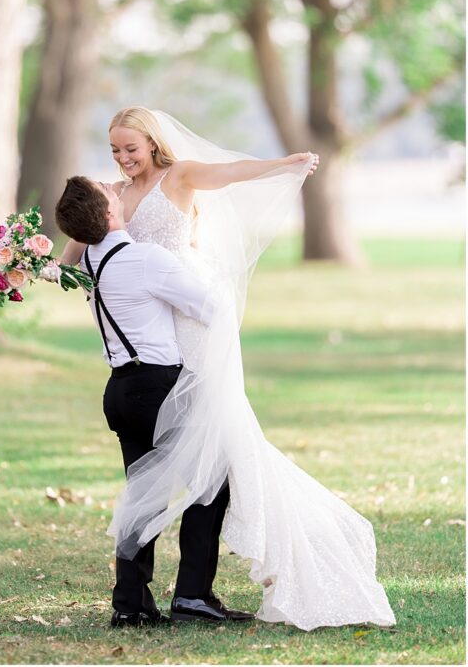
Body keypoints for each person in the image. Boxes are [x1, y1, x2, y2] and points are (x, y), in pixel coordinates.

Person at [64, 107, 395, 630]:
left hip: (191, 331)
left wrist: (282, 164)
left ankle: (173, 594)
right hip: (155, 335)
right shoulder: (112, 198)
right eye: (115, 151)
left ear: (153, 143)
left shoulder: (181, 176)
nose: (124, 160)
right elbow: (76, 254)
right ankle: (183, 594)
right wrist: (24, 259)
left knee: (207, 464)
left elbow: (232, 173)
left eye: (132, 148)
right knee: (180, 471)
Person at [54, 176, 254, 626]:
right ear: (110, 214)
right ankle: (192, 596)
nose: (117, 187)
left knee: (142, 494)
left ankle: (131, 605)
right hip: (158, 386)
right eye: (109, 193)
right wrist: (206, 266)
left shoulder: (87, 262)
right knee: (211, 480)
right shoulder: (146, 259)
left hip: (119, 390)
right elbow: (212, 310)